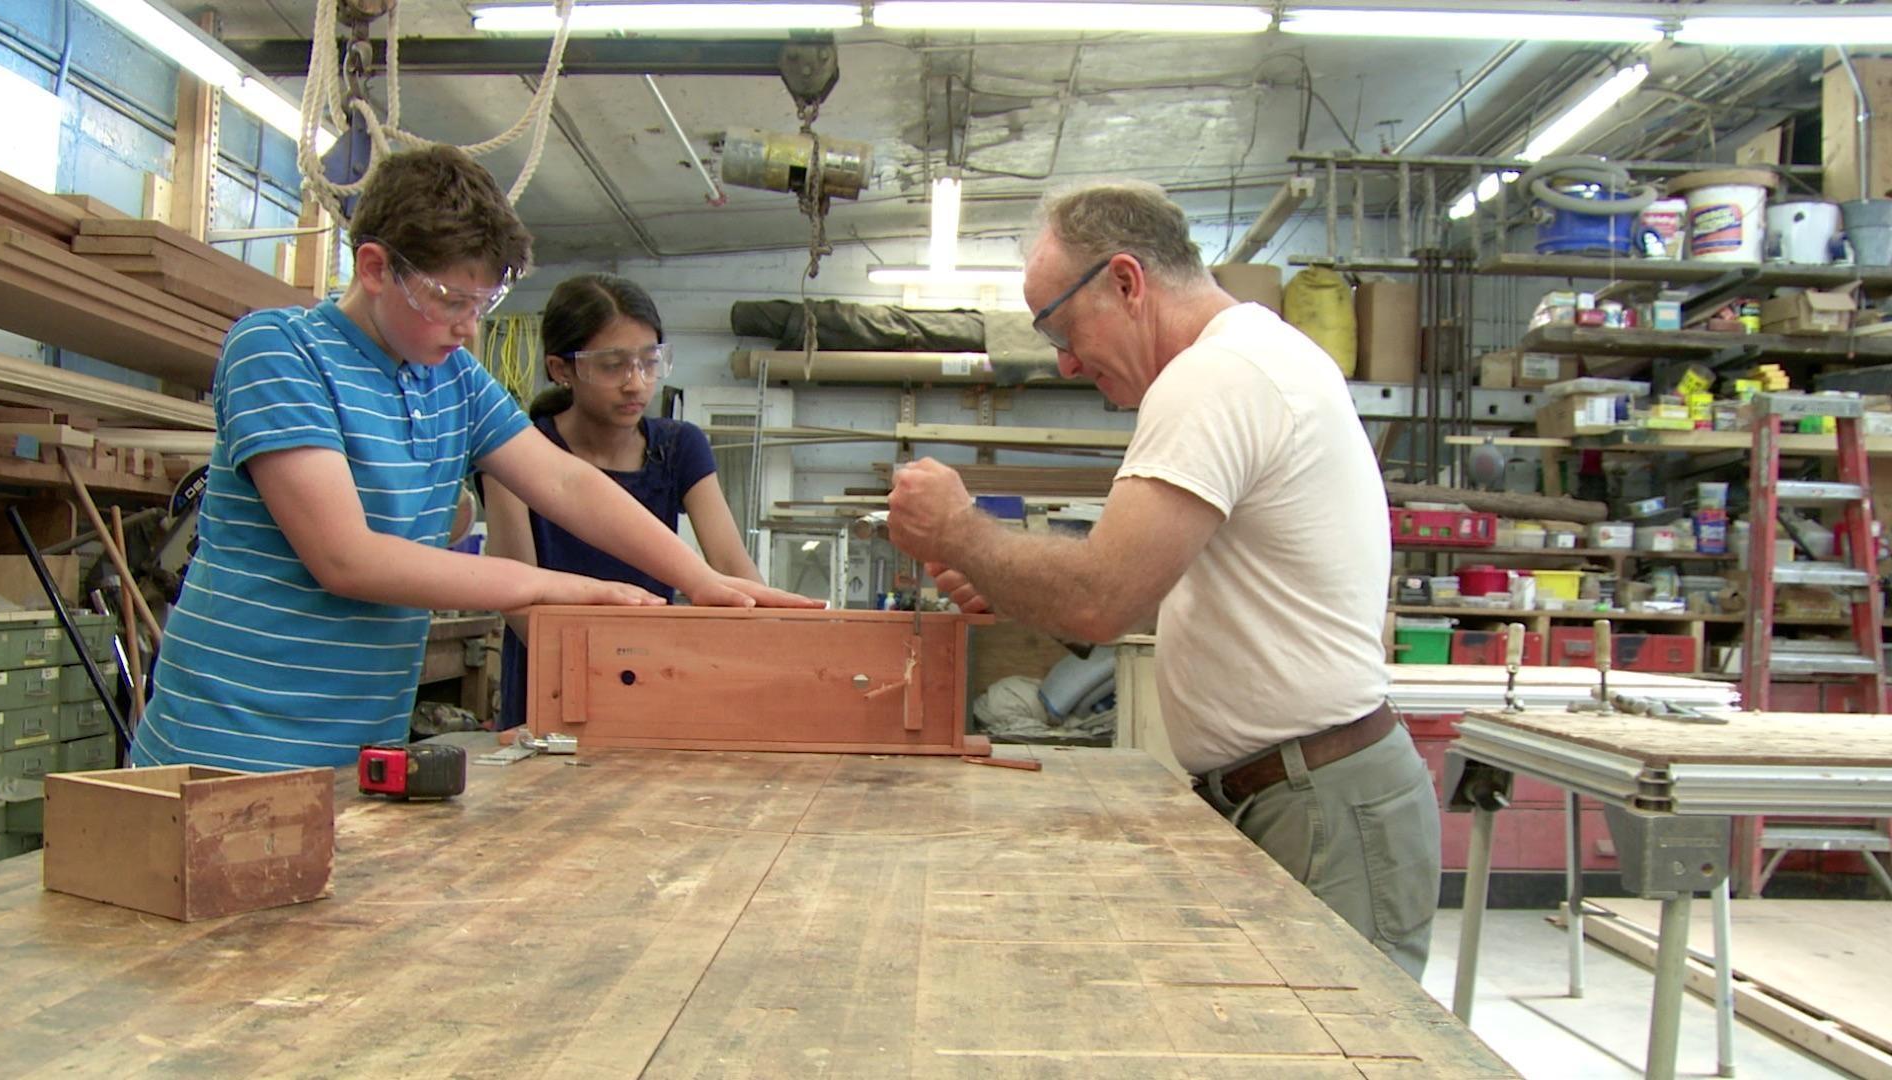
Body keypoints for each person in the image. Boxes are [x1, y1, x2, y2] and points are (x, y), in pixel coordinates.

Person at [885, 180, 1440, 976]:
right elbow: (1137, 579)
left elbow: (1100, 599)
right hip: (1299, 793)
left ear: (1125, 281)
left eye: (1062, 327)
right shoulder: (1249, 357)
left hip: (1320, 803)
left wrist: (959, 529)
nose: (1068, 361)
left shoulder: (1218, 375)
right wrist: (999, 570)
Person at [130, 145, 816, 773]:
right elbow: (346, 558)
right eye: (450, 300)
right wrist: (557, 588)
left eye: (483, 303)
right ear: (374, 268)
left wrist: (698, 579)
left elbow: (565, 481)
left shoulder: (453, 379)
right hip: (224, 743)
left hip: (357, 748)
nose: (467, 326)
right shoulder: (279, 350)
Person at [482, 274, 760, 729]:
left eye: (650, 363)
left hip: (658, 687)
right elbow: (518, 605)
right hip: (553, 689)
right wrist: (598, 676)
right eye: (613, 366)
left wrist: (772, 633)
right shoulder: (517, 452)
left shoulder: (677, 447)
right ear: (560, 368)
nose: (636, 384)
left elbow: (730, 564)